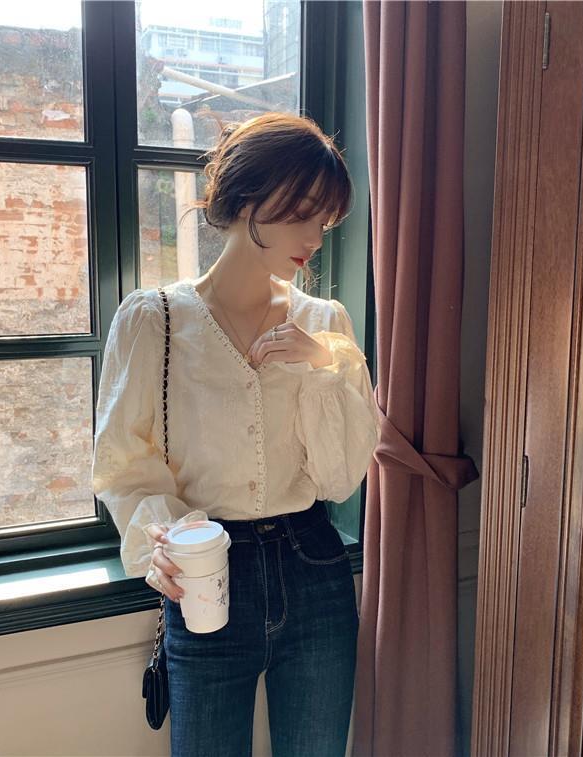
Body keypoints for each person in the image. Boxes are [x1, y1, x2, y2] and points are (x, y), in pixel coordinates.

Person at [91, 112, 380, 757]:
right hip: (207, 572)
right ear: (248, 197)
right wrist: (160, 540)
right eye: (302, 213)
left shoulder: (324, 324)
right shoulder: (156, 322)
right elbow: (123, 467)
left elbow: (339, 479)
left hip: (314, 564)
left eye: (325, 219)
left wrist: (323, 365)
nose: (315, 236)